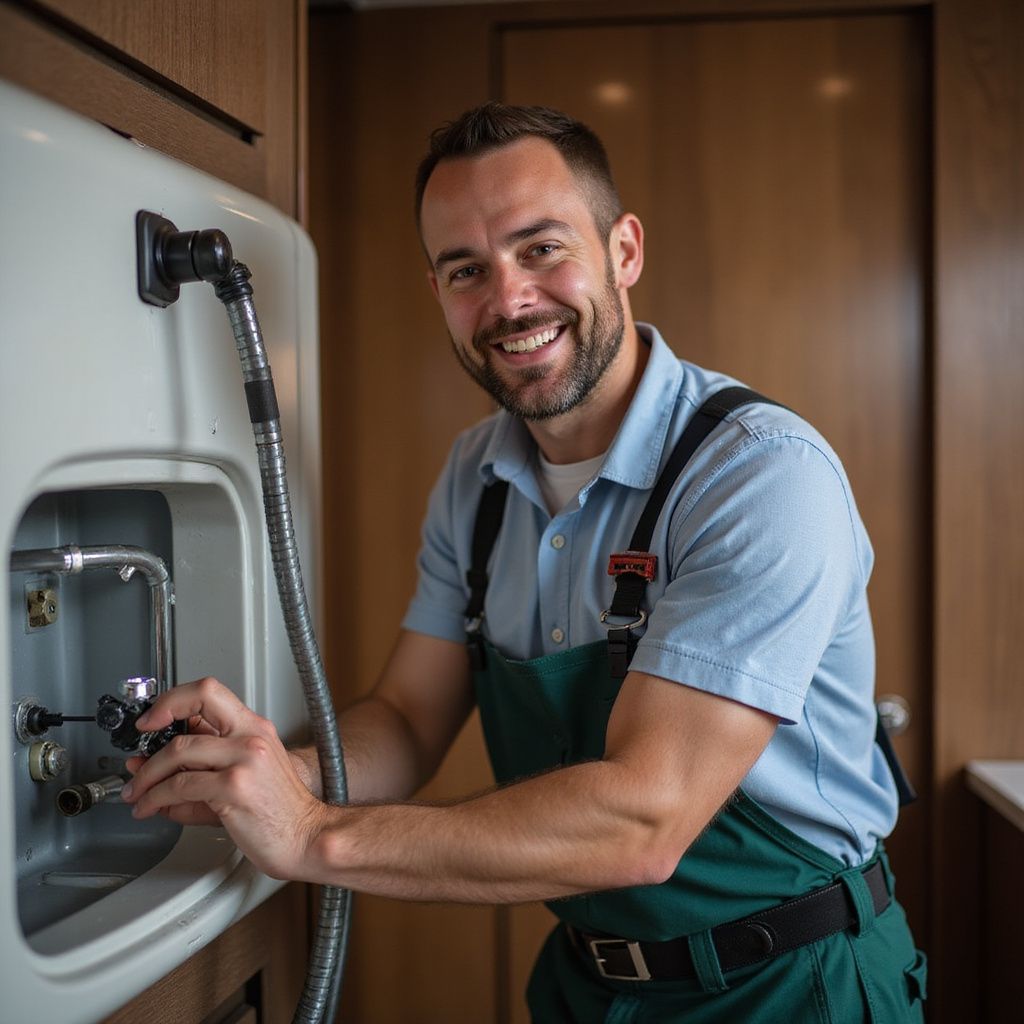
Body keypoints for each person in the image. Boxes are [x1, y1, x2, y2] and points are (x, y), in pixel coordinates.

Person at [122, 104, 926, 1022]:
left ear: (622, 251)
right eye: (468, 270)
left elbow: (644, 820)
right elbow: (408, 720)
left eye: (542, 249)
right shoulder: (479, 475)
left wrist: (312, 838)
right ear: (439, 292)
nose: (508, 300)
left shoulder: (759, 476)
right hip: (588, 986)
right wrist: (266, 775)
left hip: (791, 985)